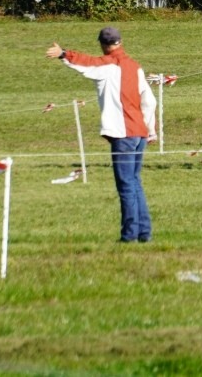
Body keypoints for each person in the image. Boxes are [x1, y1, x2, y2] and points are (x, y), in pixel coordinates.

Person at [47, 27, 157, 243]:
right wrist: (150, 129)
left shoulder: (108, 65)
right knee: (135, 182)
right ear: (120, 41)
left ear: (102, 44)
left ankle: (129, 236)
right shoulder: (135, 67)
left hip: (122, 134)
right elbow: (150, 101)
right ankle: (144, 233)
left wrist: (63, 54)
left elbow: (85, 64)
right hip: (139, 133)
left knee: (126, 185)